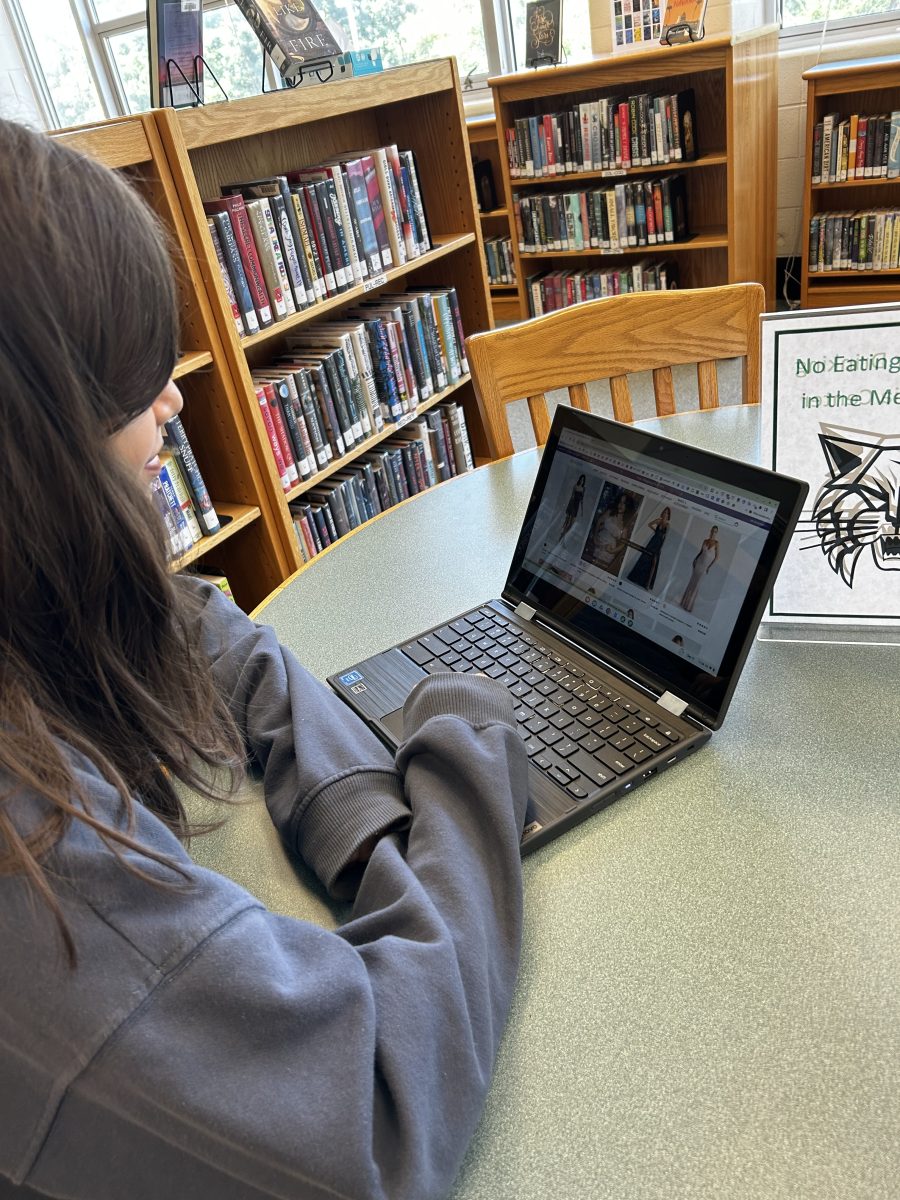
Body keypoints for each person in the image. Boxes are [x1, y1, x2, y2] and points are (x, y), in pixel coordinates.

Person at [0, 117, 528, 1200]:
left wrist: (373, 839)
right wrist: (468, 756)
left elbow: (195, 622)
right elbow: (376, 1119)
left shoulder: (32, 596)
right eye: (140, 382)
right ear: (45, 449)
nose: (175, 402)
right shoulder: (32, 864)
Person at [584, 492, 632, 573]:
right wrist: (595, 537)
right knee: (586, 567)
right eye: (620, 502)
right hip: (597, 544)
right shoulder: (610, 512)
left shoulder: (625, 524)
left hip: (608, 551)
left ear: (627, 506)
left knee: (597, 572)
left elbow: (624, 544)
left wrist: (612, 551)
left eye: (624, 503)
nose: (620, 505)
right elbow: (599, 522)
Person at [626, 506, 671, 590]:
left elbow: (665, 538)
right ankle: (637, 578)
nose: (665, 514)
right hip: (653, 542)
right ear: (663, 513)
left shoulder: (667, 525)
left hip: (658, 545)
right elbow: (649, 524)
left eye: (667, 513)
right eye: (664, 512)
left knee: (654, 564)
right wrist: (655, 530)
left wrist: (661, 548)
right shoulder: (659, 520)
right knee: (645, 559)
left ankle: (648, 584)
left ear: (669, 515)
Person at [680, 525, 720, 612]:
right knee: (691, 583)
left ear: (716, 533)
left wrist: (709, 567)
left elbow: (716, 557)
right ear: (710, 531)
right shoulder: (705, 541)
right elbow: (701, 552)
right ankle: (683, 603)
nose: (713, 533)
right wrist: (694, 560)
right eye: (712, 531)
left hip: (705, 567)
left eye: (715, 531)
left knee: (697, 586)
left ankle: (689, 606)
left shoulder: (717, 543)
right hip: (698, 563)